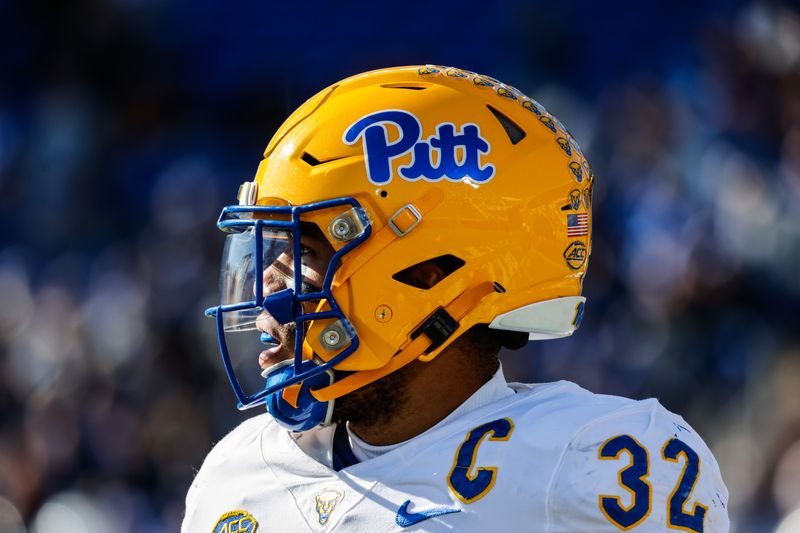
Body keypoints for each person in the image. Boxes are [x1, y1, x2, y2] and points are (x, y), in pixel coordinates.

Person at [183, 65, 729, 532]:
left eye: (305, 248)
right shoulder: (237, 472)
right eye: (268, 250)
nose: (270, 284)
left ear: (428, 273)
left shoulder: (592, 458)